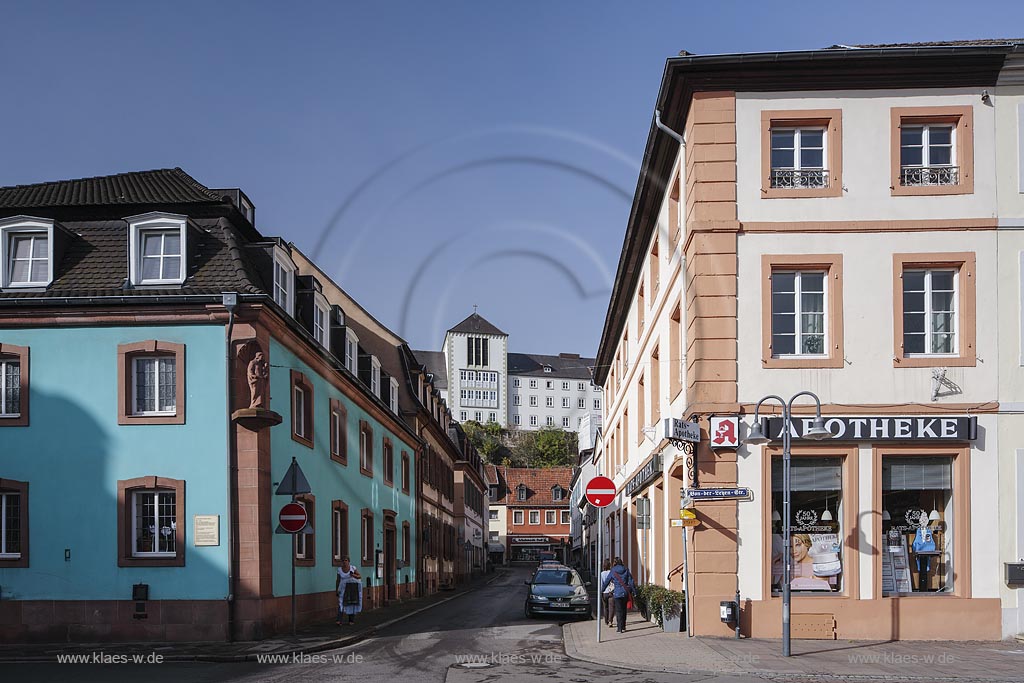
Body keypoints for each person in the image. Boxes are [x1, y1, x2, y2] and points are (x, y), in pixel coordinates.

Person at [600, 556, 636, 633]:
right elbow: (631, 581)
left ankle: (619, 628)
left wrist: (602, 590)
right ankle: (623, 626)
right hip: (625, 592)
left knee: (619, 610)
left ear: (614, 563)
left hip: (617, 593)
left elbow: (607, 581)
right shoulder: (626, 569)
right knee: (624, 610)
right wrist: (634, 591)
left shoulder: (613, 570)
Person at [336, 556, 363, 625]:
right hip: (343, 587)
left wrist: (353, 575)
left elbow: (359, 576)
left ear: (348, 561)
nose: (344, 562)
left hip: (351, 587)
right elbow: (338, 580)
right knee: (340, 603)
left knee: (351, 603)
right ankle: (339, 620)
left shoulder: (352, 568)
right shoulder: (339, 569)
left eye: (346, 560)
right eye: (343, 561)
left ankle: (351, 620)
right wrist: (337, 589)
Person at [598, 559, 614, 626]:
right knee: (611, 607)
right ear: (609, 565)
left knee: (605, 607)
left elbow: (601, 584)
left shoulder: (602, 574)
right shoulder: (612, 572)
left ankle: (606, 621)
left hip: (604, 592)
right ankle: (610, 621)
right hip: (611, 592)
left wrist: (601, 591)